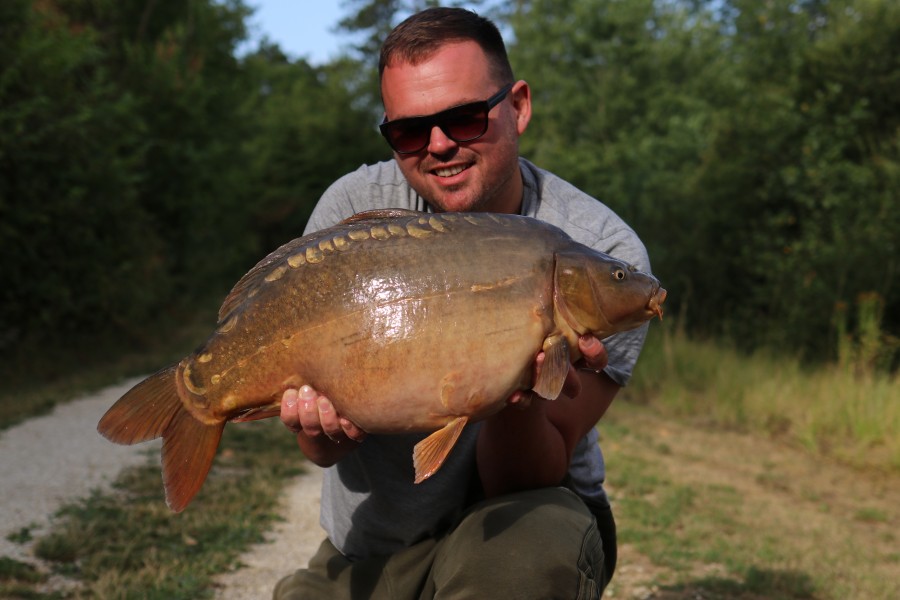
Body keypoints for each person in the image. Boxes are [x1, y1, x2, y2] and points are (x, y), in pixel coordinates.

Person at [274, 7, 651, 599]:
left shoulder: (599, 256)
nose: (440, 145)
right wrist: (322, 427)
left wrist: (517, 397)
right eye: (408, 132)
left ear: (518, 105)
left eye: (466, 118)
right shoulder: (352, 213)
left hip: (524, 520)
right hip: (380, 541)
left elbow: (526, 475)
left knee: (519, 567)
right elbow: (319, 451)